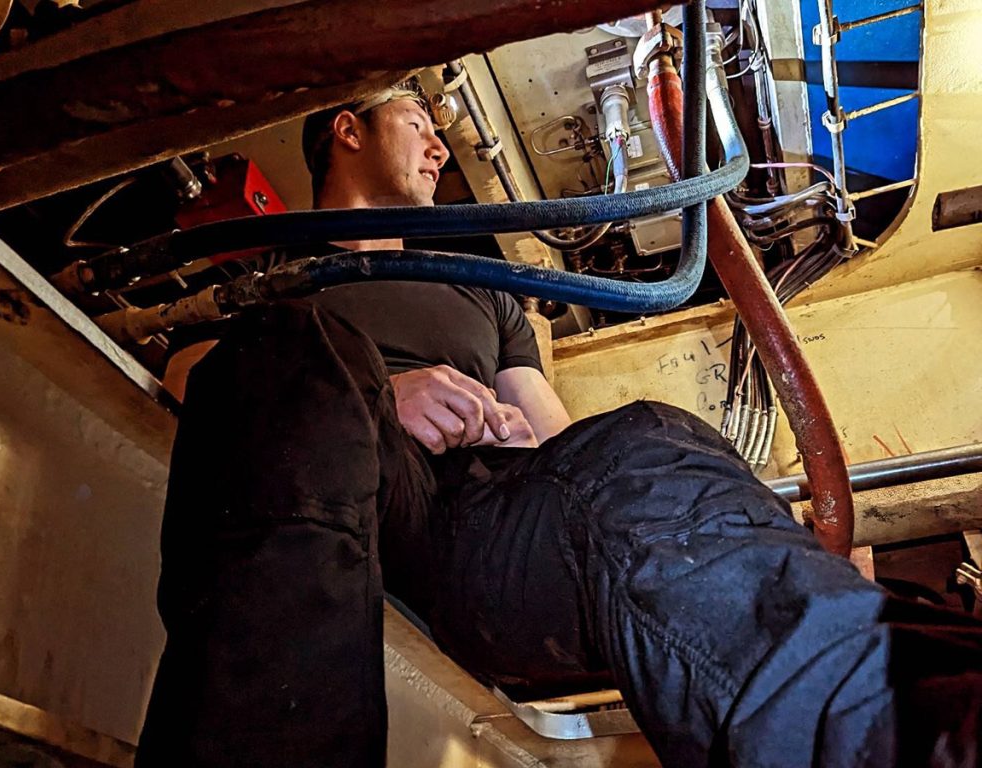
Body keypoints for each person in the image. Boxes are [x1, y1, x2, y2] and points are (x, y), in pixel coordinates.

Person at [136, 78, 982, 767]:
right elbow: (188, 374)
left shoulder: (483, 287)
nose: (438, 146)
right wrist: (381, 399)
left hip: (468, 533)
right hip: (335, 478)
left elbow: (551, 434)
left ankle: (904, 724)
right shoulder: (279, 279)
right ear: (346, 131)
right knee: (296, 351)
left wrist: (510, 431)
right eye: (416, 119)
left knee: (643, 440)